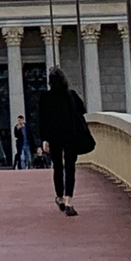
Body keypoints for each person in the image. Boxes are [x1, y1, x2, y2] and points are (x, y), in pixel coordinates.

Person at [34, 67, 93, 214]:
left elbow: (42, 120)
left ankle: (59, 196)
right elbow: (82, 110)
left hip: (54, 137)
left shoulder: (45, 97)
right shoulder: (71, 95)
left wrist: (44, 139)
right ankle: (68, 200)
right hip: (70, 136)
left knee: (58, 166)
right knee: (70, 167)